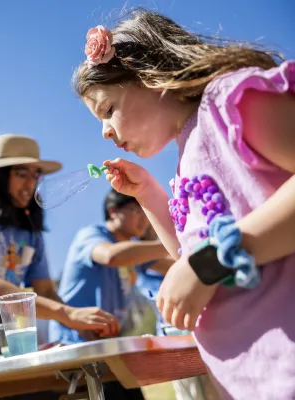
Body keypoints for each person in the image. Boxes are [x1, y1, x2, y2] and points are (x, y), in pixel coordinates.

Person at [72, 8, 295, 399]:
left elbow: (205, 263)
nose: (105, 131)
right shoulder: (187, 155)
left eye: (108, 110)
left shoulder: (229, 105)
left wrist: (207, 264)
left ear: (147, 75)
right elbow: (190, 256)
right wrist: (150, 197)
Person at [0, 134, 120, 377]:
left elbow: (46, 291)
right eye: (21, 174)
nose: (30, 184)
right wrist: (69, 314)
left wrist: (80, 325)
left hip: (7, 324)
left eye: (36, 175)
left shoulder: (29, 229)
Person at [50, 189, 172, 400]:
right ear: (113, 211)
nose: (144, 218)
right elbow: (111, 256)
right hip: (74, 345)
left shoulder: (136, 250)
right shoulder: (92, 235)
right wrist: (169, 243)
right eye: (138, 210)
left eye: (147, 212)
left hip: (107, 349)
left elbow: (174, 265)